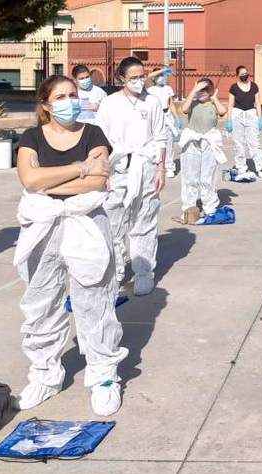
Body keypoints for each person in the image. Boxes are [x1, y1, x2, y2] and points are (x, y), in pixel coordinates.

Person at [13, 74, 127, 416]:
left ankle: (104, 375)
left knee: (95, 299)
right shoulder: (32, 136)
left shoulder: (93, 133)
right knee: (40, 303)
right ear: (46, 105)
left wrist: (56, 179)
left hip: (87, 225)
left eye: (72, 94)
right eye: (60, 96)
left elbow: (98, 180)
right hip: (43, 228)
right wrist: (78, 168)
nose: (69, 101)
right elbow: (29, 179)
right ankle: (45, 374)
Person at [95, 57, 168, 296]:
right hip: (118, 169)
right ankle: (115, 271)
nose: (138, 81)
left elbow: (160, 137)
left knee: (144, 220)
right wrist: (102, 172)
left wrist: (161, 168)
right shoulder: (109, 103)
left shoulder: (153, 102)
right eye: (133, 78)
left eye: (141, 76)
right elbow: (100, 141)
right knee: (112, 223)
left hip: (145, 166)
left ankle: (144, 272)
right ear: (121, 78)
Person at [178, 78, 228, 218]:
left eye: (204, 91)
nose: (201, 94)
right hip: (192, 142)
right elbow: (184, 109)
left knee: (208, 176)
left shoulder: (213, 105)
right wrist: (194, 91)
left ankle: (210, 207)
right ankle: (189, 208)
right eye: (200, 91)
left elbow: (223, 111)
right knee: (190, 176)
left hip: (209, 142)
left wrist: (215, 98)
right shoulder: (193, 104)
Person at [228, 65, 262, 178]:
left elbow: (258, 103)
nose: (245, 76)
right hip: (237, 115)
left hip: (251, 114)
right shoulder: (234, 88)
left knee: (254, 143)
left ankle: (261, 168)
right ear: (237, 75)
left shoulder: (254, 86)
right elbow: (230, 104)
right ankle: (241, 166)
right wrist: (229, 120)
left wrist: (260, 118)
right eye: (242, 74)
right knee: (238, 143)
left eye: (246, 74)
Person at [146, 67, 179, 178]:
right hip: (154, 116)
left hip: (166, 115)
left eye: (163, 76)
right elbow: (147, 77)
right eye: (159, 76)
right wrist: (161, 71)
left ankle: (169, 167)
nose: (161, 78)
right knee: (154, 141)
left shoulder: (168, 88)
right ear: (155, 78)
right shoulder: (150, 89)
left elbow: (171, 104)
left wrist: (176, 117)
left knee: (168, 142)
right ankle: (156, 165)